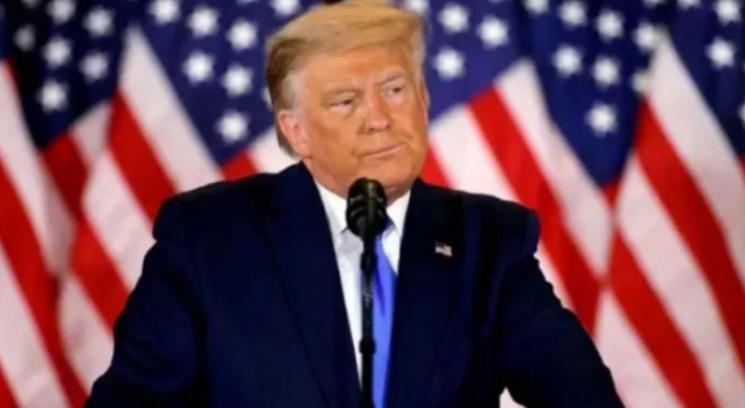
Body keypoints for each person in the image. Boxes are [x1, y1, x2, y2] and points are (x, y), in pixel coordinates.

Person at [85, 1, 624, 407]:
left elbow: (581, 396)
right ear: (296, 131)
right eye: (346, 102)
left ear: (424, 101)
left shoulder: (488, 239)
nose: (379, 118)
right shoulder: (209, 238)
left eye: (394, 90)